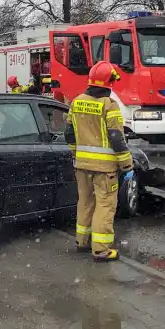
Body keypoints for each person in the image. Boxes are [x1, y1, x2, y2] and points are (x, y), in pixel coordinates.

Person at [64, 61, 133, 261]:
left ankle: (82, 241)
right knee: (105, 205)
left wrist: (76, 154)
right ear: (108, 82)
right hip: (105, 169)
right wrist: (127, 164)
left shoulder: (76, 102)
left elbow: (69, 134)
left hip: (82, 165)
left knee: (85, 202)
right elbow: (117, 138)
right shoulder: (109, 105)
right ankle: (101, 250)